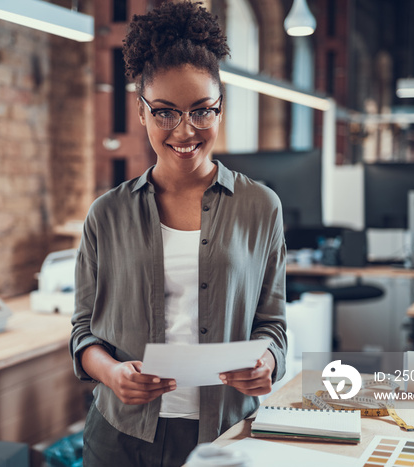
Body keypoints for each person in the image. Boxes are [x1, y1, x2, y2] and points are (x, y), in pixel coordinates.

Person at [69, 2, 287, 465]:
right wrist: (110, 373)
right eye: (165, 112)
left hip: (226, 434)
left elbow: (272, 324)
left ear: (220, 108)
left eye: (201, 111)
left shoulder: (260, 207)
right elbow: (83, 333)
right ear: (142, 111)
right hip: (120, 437)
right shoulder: (106, 215)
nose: (184, 130)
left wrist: (267, 362)